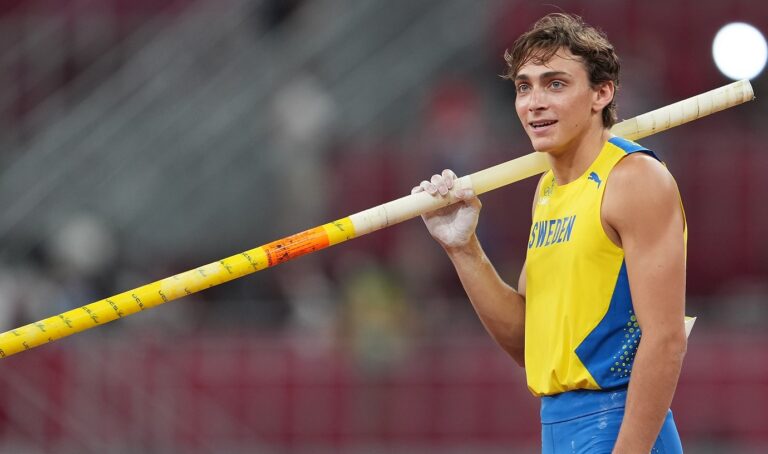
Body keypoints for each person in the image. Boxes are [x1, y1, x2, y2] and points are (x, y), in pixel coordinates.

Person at [412, 13, 687, 453]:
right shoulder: (548, 189)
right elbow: (527, 343)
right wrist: (463, 248)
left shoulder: (634, 179)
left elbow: (666, 340)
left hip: (617, 425)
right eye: (524, 87)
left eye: (555, 84)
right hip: (558, 428)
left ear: (601, 93)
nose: (534, 102)